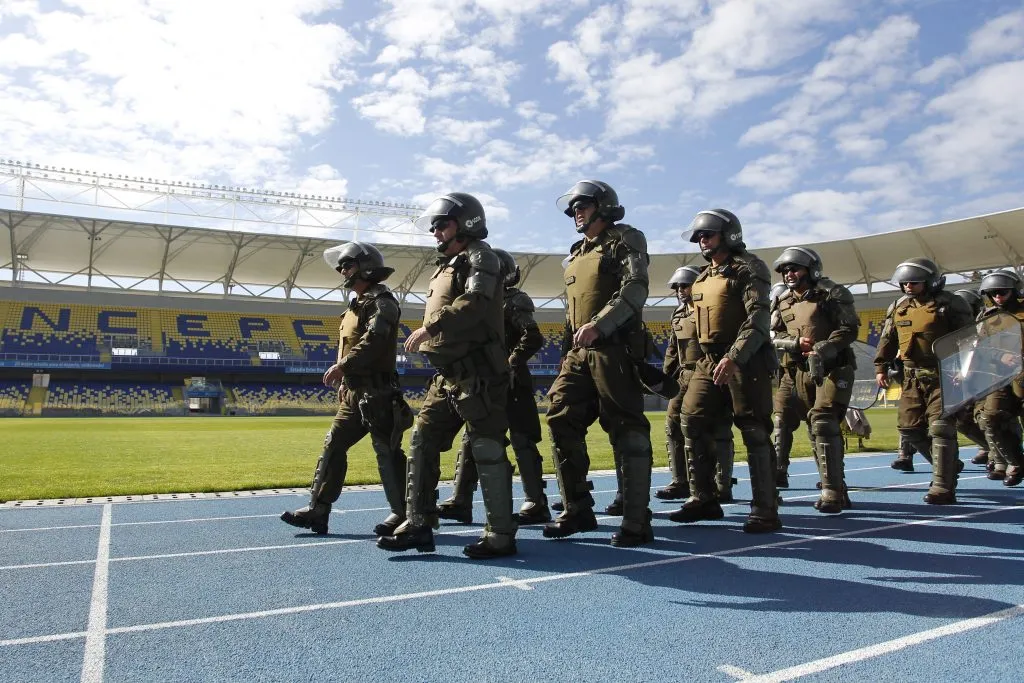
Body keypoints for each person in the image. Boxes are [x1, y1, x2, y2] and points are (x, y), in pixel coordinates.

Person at [376, 192, 518, 558]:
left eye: (442, 224)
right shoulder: (446, 266)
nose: (436, 231)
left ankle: (501, 533)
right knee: (422, 441)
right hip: (447, 375)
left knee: (486, 447)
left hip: (480, 374)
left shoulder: (480, 256)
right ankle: (419, 524)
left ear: (465, 222)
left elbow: (475, 302)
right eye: (434, 225)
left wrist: (431, 327)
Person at [543, 179, 655, 547]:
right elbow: (572, 314)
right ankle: (578, 509)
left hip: (613, 348)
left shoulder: (626, 238)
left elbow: (636, 287)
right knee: (560, 418)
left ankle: (637, 520)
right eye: (573, 207)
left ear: (603, 206)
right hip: (578, 353)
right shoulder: (575, 254)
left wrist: (601, 325)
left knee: (626, 428)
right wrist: (565, 355)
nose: (576, 211)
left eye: (583, 205)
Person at [281, 242, 413, 536]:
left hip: (378, 393)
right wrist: (345, 379)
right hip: (354, 394)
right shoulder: (353, 307)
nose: (342, 271)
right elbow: (349, 345)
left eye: (347, 266)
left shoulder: (382, 302)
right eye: (341, 267)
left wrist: (344, 367)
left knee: (386, 453)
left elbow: (374, 340)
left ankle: (404, 514)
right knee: (333, 445)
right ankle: (318, 509)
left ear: (366, 268)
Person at [670, 209, 782, 533]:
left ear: (728, 234)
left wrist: (735, 356)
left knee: (754, 430)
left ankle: (765, 508)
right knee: (691, 419)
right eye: (699, 237)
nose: (702, 241)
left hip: (745, 362)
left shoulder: (749, 267)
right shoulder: (702, 277)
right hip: (708, 361)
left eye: (708, 234)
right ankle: (703, 498)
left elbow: (759, 318)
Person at [437, 248, 553, 525]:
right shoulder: (481, 301)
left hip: (512, 380)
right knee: (474, 438)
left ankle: (536, 502)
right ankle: (461, 500)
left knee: (522, 439)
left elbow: (532, 337)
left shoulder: (515, 300)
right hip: (484, 379)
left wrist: (511, 363)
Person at [874, 258, 974, 504]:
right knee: (908, 429)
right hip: (910, 377)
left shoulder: (951, 304)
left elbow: (971, 339)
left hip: (945, 374)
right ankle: (949, 464)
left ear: (930, 281)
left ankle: (943, 486)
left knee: (941, 427)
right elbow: (888, 339)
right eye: (905, 282)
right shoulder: (898, 307)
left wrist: (965, 369)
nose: (908, 286)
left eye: (914, 282)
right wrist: (881, 367)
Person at [770, 247, 859, 513]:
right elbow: (773, 335)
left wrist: (823, 348)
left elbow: (849, 329)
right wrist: (793, 343)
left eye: (795, 268)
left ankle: (832, 490)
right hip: (794, 371)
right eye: (785, 270)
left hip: (832, 368)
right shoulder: (782, 301)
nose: (789, 274)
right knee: (781, 421)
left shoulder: (832, 294)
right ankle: (779, 475)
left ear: (811, 270)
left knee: (822, 422)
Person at [656, 265, 737, 502]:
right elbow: (674, 348)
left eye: (685, 285)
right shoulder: (678, 314)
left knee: (719, 428)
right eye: (677, 287)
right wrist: (666, 377)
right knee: (673, 425)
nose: (680, 290)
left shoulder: (712, 310)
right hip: (684, 376)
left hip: (712, 373)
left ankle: (723, 485)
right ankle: (681, 481)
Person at [976, 270, 1024, 487]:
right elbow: (981, 348)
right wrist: (1000, 355)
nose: (998, 297)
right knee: (991, 418)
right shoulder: (987, 317)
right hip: (999, 376)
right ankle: (1016, 461)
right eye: (993, 293)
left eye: (1002, 292)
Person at [770, 281, 804, 489]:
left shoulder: (813, 309)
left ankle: (834, 481)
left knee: (820, 426)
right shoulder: (775, 316)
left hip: (814, 373)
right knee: (780, 421)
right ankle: (779, 470)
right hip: (788, 374)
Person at [951, 288, 991, 466]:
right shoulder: (951, 325)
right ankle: (988, 446)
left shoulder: (987, 322)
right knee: (961, 420)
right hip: (961, 379)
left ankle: (1000, 458)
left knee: (989, 417)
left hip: (987, 377)